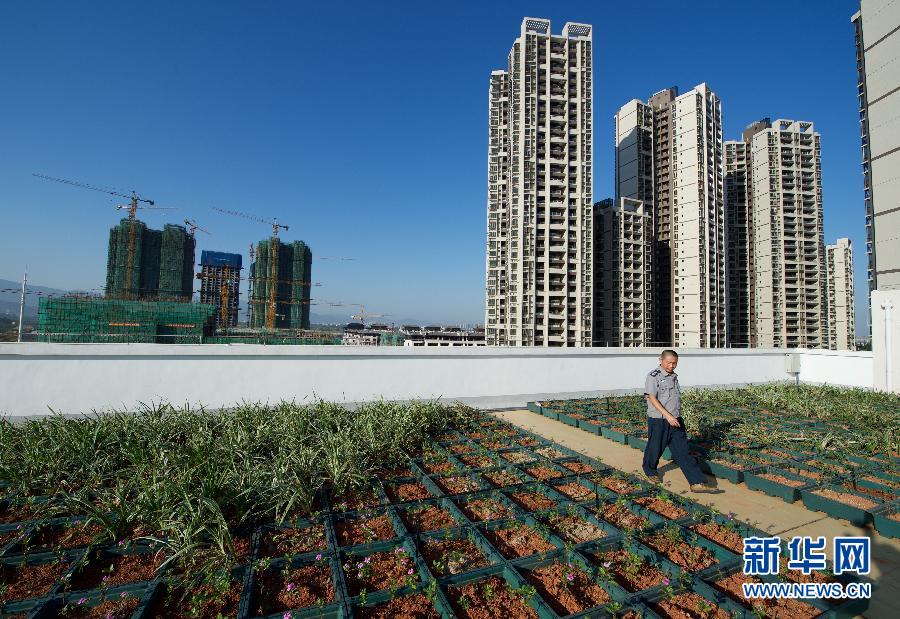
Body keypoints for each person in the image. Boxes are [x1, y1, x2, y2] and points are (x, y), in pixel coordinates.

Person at [642, 350, 717, 493]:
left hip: (675, 420)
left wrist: (674, 417)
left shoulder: (674, 376)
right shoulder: (653, 376)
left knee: (683, 451)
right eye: (668, 362)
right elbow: (652, 398)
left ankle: (697, 482)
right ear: (661, 360)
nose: (671, 365)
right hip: (659, 420)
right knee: (655, 448)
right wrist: (668, 416)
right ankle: (650, 470)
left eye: (674, 363)